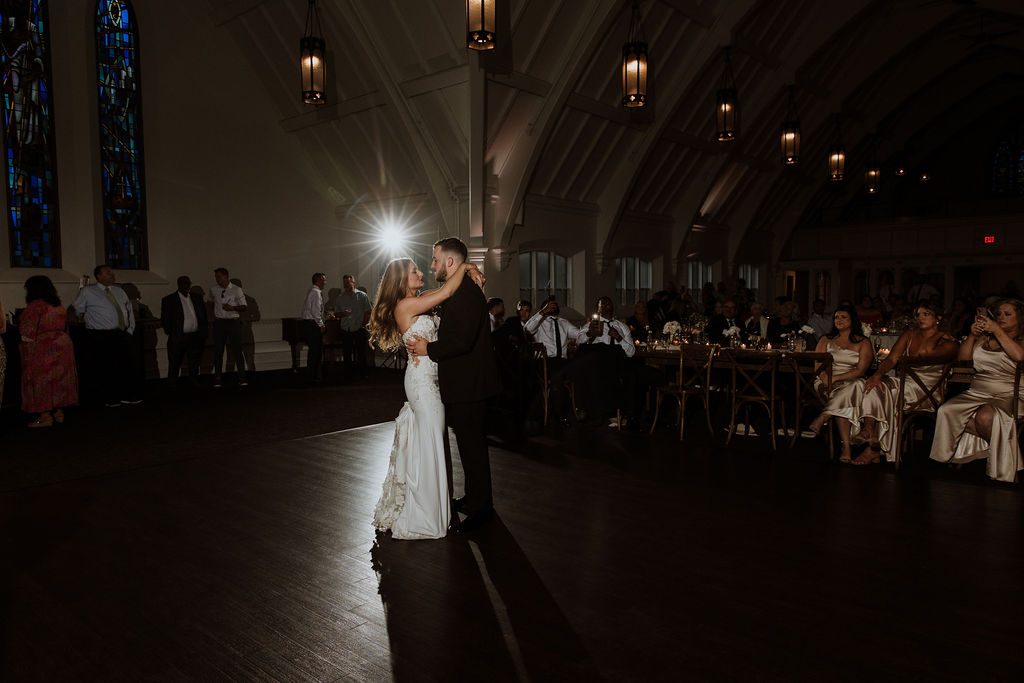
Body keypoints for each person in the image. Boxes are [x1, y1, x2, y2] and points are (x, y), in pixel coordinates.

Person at [405, 237, 499, 535]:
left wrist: (427, 350)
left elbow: (461, 341)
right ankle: (474, 498)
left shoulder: (467, 294)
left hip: (469, 384)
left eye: (435, 260)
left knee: (473, 448)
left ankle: (482, 508)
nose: (431, 265)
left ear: (449, 262)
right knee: (468, 447)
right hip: (462, 384)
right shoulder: (458, 291)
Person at [843, 304, 958, 464]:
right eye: (918, 315)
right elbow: (891, 359)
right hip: (905, 383)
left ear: (938, 318)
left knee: (889, 393)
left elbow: (925, 353)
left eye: (926, 314)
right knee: (874, 385)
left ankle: (873, 445)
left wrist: (937, 335)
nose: (920, 318)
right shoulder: (909, 335)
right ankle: (869, 431)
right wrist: (877, 375)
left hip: (928, 390)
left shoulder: (949, 343)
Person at [929, 299, 1024, 483]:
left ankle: (1004, 458)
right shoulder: (985, 338)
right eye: (999, 314)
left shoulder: (1020, 339)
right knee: (946, 411)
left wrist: (997, 329)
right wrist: (972, 336)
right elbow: (963, 358)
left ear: (1019, 317)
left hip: (1010, 392)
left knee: (985, 417)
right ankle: (1003, 452)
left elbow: (1019, 356)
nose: (1001, 317)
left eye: (1007, 314)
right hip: (978, 391)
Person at [807, 305, 873, 463]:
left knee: (855, 385)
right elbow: (817, 366)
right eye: (836, 317)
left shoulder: (863, 342)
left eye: (843, 317)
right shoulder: (825, 339)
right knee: (854, 388)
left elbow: (861, 371)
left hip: (850, 380)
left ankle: (826, 418)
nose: (839, 320)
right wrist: (828, 380)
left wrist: (838, 379)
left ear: (852, 320)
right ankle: (846, 445)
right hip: (826, 381)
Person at [72, 264, 138, 407]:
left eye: (112, 272)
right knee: (107, 367)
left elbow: (128, 310)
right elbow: (78, 310)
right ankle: (110, 397)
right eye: (107, 272)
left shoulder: (119, 291)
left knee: (126, 365)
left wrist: (129, 330)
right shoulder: (88, 292)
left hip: (121, 334)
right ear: (98, 276)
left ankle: (127, 394)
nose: (111, 274)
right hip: (101, 335)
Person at [19, 276, 78, 428]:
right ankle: (59, 413)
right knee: (61, 380)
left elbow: (27, 331)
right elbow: (65, 327)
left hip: (43, 347)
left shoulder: (35, 306)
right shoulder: (58, 306)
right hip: (63, 345)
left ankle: (45, 416)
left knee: (41, 382)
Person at [160, 276, 208, 384]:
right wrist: (171, 332)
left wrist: (203, 333)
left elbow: (203, 316)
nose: (187, 285)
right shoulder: (169, 300)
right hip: (178, 336)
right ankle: (172, 383)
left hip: (195, 336)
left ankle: (193, 380)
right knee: (175, 362)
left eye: (188, 283)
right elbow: (165, 318)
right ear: (179, 284)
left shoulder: (197, 298)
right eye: (184, 283)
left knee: (194, 361)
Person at [209, 267, 247, 388]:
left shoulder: (236, 289)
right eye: (216, 277)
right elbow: (210, 302)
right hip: (219, 323)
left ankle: (242, 377)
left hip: (233, 322)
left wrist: (233, 308)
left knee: (237, 350)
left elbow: (244, 306)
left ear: (226, 276)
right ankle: (218, 377)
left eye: (219, 277)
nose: (217, 279)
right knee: (218, 351)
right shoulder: (213, 289)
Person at [334, 274, 372, 379]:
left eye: (348, 282)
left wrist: (363, 324)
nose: (346, 284)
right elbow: (336, 314)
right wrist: (343, 314)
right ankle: (348, 374)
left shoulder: (362, 296)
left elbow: (368, 311)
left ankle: (363, 373)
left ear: (353, 283)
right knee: (347, 353)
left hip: (359, 328)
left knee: (361, 352)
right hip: (346, 328)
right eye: (344, 283)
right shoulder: (340, 298)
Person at [301, 272, 327, 383]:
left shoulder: (311, 291)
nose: (325, 282)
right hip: (313, 325)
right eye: (324, 280)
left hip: (309, 324)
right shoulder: (316, 293)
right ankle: (312, 377)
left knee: (313, 351)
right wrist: (321, 324)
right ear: (318, 280)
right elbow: (316, 311)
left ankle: (311, 375)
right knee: (315, 352)